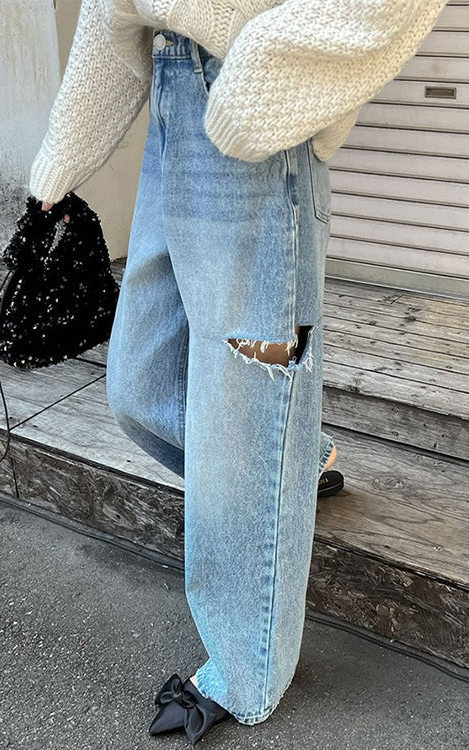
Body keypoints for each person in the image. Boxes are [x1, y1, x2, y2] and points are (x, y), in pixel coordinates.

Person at [29, 1, 447, 744]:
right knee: (140, 385)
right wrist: (58, 166)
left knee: (250, 391)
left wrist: (268, 68)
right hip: (171, 99)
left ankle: (247, 670)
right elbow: (108, 13)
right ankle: (290, 464)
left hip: (261, 126)